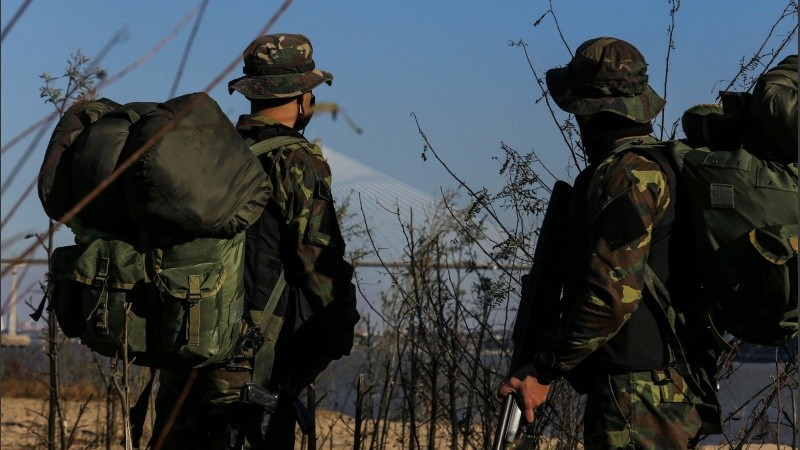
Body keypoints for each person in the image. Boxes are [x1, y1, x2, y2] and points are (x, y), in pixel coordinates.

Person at [497, 37, 722, 449]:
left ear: (585, 110)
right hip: (666, 388)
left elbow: (612, 296)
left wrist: (545, 368)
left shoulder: (626, 177)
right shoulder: (663, 165)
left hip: (635, 400)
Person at [152, 33, 360, 449]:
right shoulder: (296, 159)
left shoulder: (214, 153)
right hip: (249, 366)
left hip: (186, 355)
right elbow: (319, 260)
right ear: (302, 98)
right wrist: (339, 332)